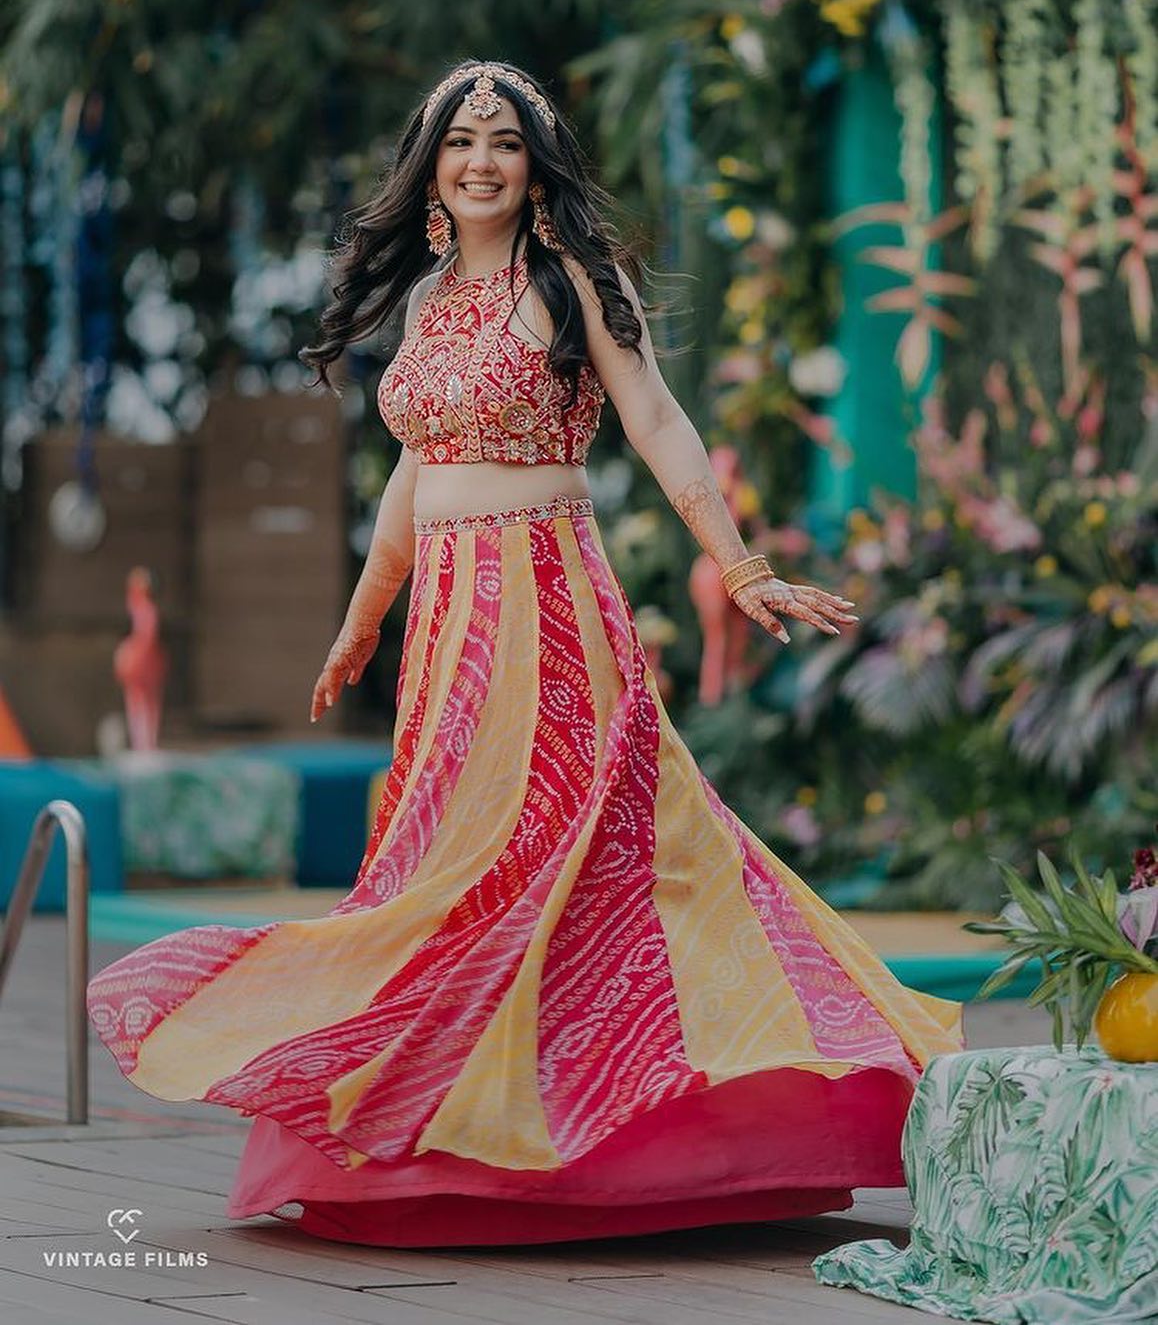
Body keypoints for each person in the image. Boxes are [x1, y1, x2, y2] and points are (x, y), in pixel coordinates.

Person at [87, 60, 965, 1249]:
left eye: (504, 141)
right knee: (446, 868)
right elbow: (413, 470)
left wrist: (741, 564)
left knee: (562, 865)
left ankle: (616, 1147)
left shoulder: (572, 285)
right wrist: (360, 619)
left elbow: (656, 416)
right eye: (461, 142)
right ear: (433, 169)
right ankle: (448, 1147)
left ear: (535, 165)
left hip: (549, 605)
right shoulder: (434, 297)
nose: (482, 160)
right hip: (448, 623)